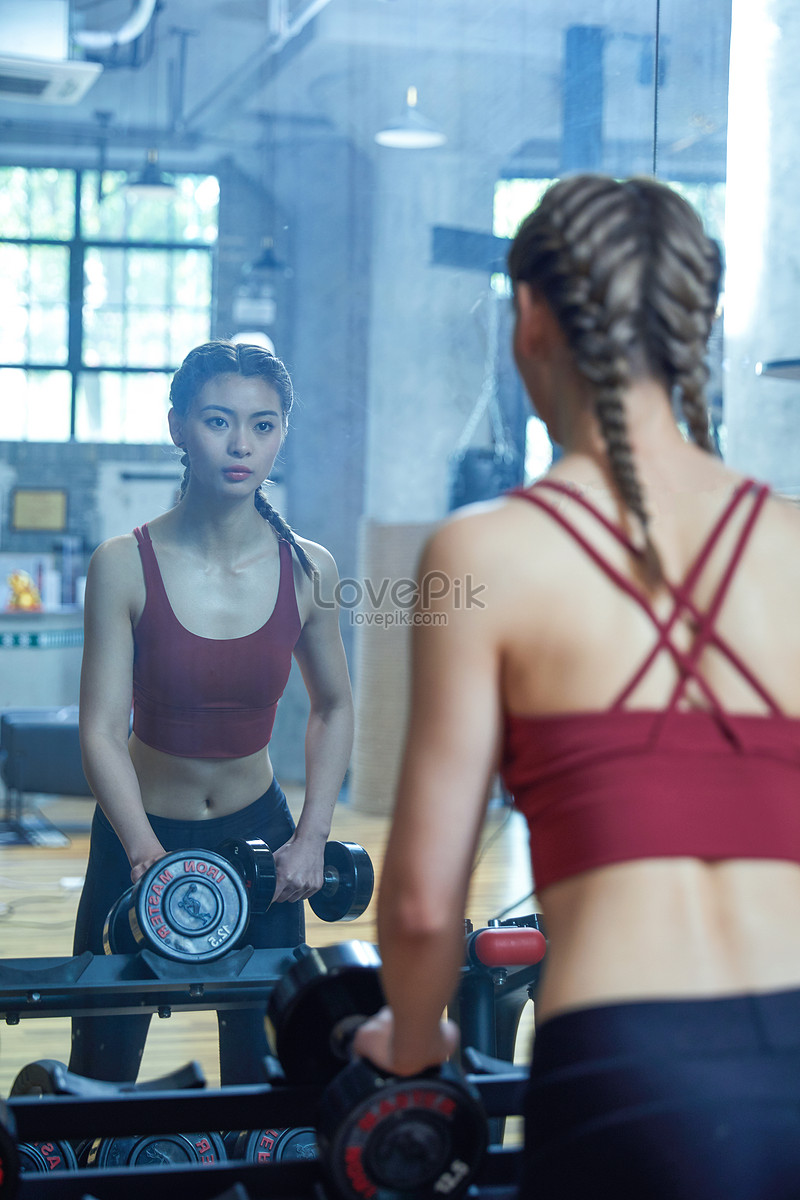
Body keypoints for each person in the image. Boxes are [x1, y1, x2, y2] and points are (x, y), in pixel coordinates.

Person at [353, 175, 800, 1198]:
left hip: (631, 1073)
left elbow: (423, 903)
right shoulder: (788, 540)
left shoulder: (488, 550)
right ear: (698, 327)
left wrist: (411, 1038)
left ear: (530, 316)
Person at [70, 340, 354, 1085]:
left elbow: (334, 705)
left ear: (281, 434)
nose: (240, 444)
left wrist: (311, 838)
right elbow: (100, 727)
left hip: (261, 842)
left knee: (267, 1079)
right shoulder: (123, 564)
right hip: (139, 836)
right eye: (218, 421)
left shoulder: (308, 567)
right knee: (98, 1073)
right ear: (177, 428)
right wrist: (140, 852)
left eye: (263, 426)